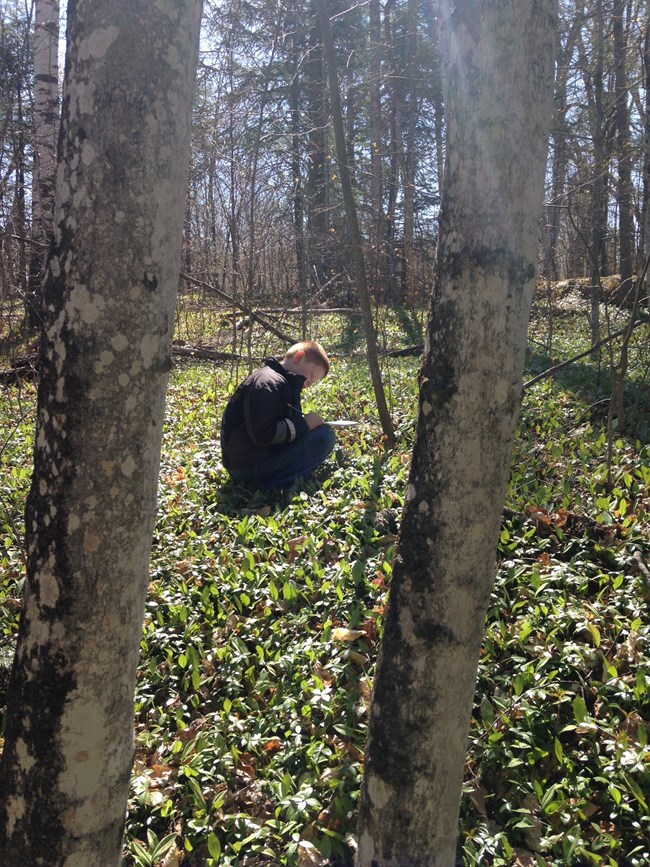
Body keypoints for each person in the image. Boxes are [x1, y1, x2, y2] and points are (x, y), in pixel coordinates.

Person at [220, 340, 336, 490]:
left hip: (253, 459)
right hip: (247, 467)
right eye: (312, 376)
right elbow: (264, 434)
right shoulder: (268, 383)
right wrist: (304, 425)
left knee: (321, 433)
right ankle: (278, 484)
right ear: (299, 357)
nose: (309, 384)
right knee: (325, 436)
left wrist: (307, 427)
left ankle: (286, 476)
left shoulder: (282, 382)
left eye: (314, 381)